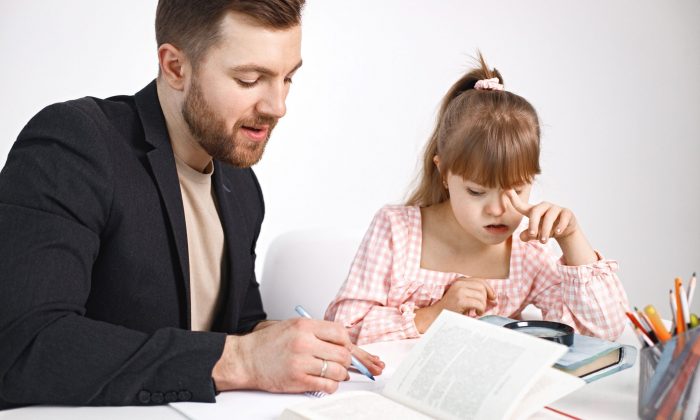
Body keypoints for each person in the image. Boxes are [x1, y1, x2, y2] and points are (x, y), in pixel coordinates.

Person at [0, 0, 383, 409]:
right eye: (251, 79)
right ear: (175, 67)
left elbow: (237, 326)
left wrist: (295, 343)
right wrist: (242, 358)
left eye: (288, 78)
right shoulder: (76, 143)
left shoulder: (242, 186)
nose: (278, 106)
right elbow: (23, 346)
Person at [325, 53, 629, 345]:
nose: (498, 210)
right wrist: (434, 314)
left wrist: (571, 238)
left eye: (516, 190)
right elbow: (343, 328)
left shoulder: (527, 252)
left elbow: (603, 332)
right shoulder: (397, 229)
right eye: (476, 191)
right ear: (443, 172)